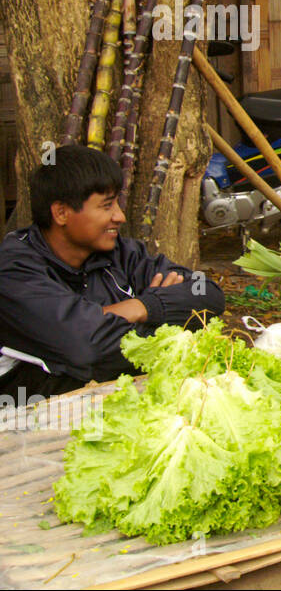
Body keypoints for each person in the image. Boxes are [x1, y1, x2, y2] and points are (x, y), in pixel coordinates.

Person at [0, 146, 226, 404]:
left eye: (117, 203)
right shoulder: (14, 272)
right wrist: (168, 321)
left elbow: (207, 293)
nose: (119, 216)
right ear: (61, 212)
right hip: (22, 426)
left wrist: (144, 305)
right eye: (107, 206)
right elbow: (86, 347)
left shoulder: (122, 253)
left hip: (107, 411)